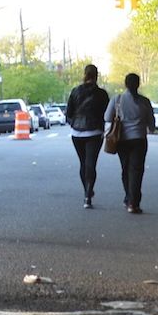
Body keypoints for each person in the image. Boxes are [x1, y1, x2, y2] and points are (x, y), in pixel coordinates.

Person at [103, 72, 155, 213]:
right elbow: (152, 124)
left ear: (125, 84)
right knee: (137, 171)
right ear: (138, 84)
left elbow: (107, 117)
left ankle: (128, 199)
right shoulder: (145, 101)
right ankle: (134, 203)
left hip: (122, 140)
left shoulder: (117, 100)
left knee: (126, 169)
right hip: (139, 139)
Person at [64, 64, 110, 210]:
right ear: (96, 75)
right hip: (94, 132)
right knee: (91, 164)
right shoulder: (102, 94)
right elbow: (107, 114)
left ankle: (87, 191)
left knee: (83, 164)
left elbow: (68, 113)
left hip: (77, 133)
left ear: (84, 75)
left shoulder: (75, 91)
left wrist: (74, 124)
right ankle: (88, 194)